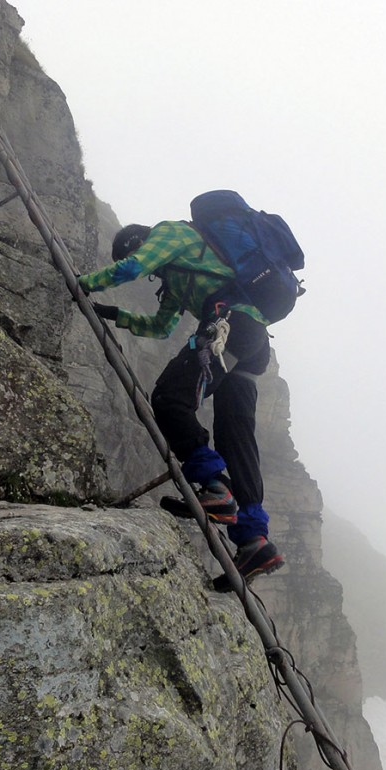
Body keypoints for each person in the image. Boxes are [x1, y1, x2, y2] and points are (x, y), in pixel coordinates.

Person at [78, 217, 286, 589]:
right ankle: (254, 541)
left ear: (137, 241)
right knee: (236, 438)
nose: (151, 276)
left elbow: (134, 266)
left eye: (138, 251)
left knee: (169, 398)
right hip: (251, 341)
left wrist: (84, 285)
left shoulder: (168, 234)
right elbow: (161, 326)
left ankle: (215, 488)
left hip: (229, 326)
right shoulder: (180, 274)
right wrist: (117, 316)